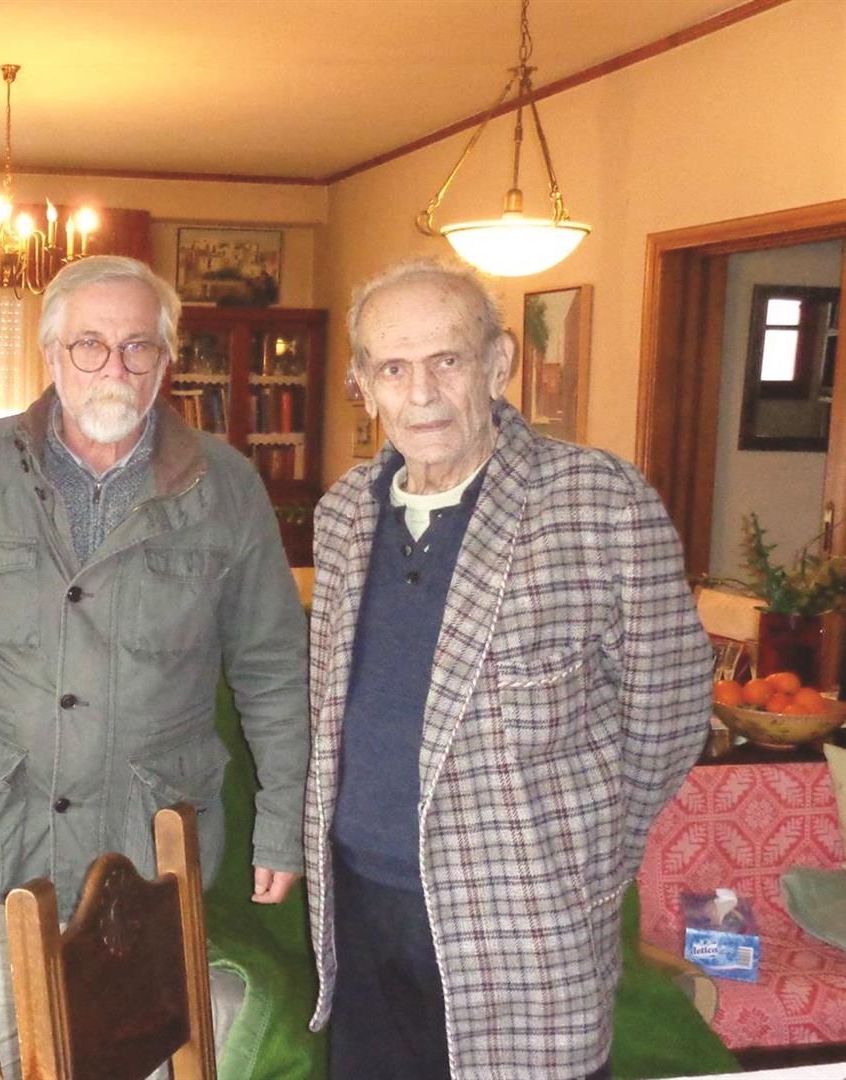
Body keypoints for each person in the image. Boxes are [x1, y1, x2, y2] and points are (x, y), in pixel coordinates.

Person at [0, 255, 307, 1075]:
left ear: (166, 359)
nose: (114, 366)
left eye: (137, 346)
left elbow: (273, 665)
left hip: (147, 840)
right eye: (88, 344)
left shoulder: (226, 487)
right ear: (50, 353)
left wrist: (282, 823)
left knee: (127, 1049)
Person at [304, 260, 711, 1079]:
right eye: (393, 368)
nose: (421, 393)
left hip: (524, 915)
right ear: (363, 385)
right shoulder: (342, 511)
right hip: (361, 901)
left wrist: (582, 855)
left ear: (498, 362)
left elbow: (668, 716)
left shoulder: (596, 503)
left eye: (446, 360)